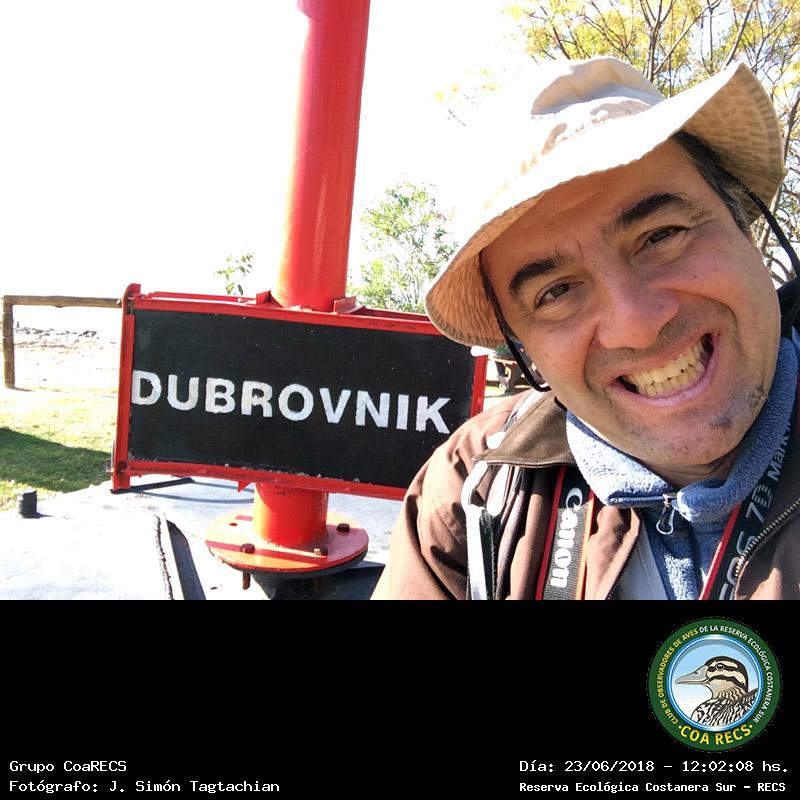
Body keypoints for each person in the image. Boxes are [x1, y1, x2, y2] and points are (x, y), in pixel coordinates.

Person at [372, 56, 800, 600]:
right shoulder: (471, 492)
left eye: (661, 235)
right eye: (556, 292)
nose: (636, 326)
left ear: (743, 222)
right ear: (524, 345)